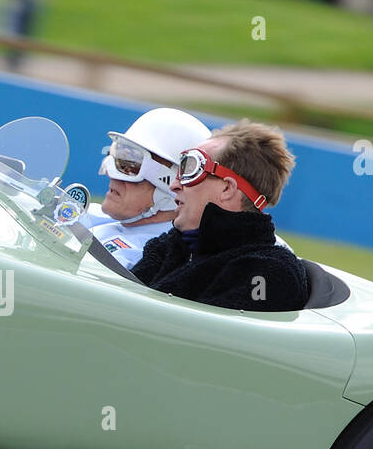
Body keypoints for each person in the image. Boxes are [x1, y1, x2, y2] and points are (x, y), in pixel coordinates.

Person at [130, 120, 310, 311]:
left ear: (227, 189)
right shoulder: (168, 247)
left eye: (191, 170)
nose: (174, 184)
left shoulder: (268, 272)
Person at [82, 108, 210, 270]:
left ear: (171, 185)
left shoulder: (145, 257)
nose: (110, 172)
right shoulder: (95, 215)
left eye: (130, 163)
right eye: (117, 154)